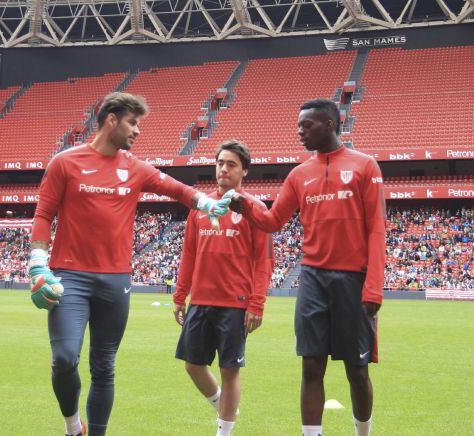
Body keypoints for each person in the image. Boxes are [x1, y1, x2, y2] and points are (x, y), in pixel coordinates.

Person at [28, 92, 231, 436]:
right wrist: (37, 262)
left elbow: (178, 189)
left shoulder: (135, 168)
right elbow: (44, 214)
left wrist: (206, 204)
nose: (137, 131)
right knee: (64, 360)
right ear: (111, 120)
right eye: (132, 123)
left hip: (115, 282)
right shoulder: (64, 163)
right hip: (69, 277)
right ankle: (72, 424)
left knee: (104, 368)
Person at [227, 99, 386, 436]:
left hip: (353, 281)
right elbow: (272, 221)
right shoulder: (299, 174)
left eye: (307, 126)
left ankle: (363, 433)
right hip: (313, 278)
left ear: (330, 124)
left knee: (357, 369)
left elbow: (376, 229)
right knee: (311, 365)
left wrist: (373, 286)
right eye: (299, 126)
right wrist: (246, 205)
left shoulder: (364, 166)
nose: (300, 132)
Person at [173, 140, 272, 436]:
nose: (224, 169)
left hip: (235, 303)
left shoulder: (255, 208)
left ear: (244, 171)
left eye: (231, 164)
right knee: (193, 366)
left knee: (230, 371)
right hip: (201, 301)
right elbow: (188, 254)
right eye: (220, 163)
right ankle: (223, 407)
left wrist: (256, 304)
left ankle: (224, 431)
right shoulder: (199, 208)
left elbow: (263, 260)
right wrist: (180, 295)